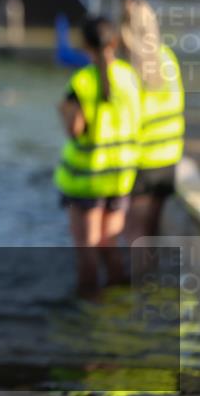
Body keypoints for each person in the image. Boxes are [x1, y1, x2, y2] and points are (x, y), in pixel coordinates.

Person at [54, 16, 141, 300]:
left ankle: (88, 308)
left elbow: (75, 130)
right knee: (109, 243)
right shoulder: (130, 76)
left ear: (84, 46)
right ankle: (118, 302)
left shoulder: (83, 81)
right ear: (114, 42)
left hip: (87, 179)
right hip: (120, 176)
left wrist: (63, 112)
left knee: (87, 247)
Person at [119, 0, 185, 243]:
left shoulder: (128, 68)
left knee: (134, 233)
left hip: (142, 162)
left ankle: (134, 270)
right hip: (168, 159)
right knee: (152, 233)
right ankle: (151, 269)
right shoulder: (168, 58)